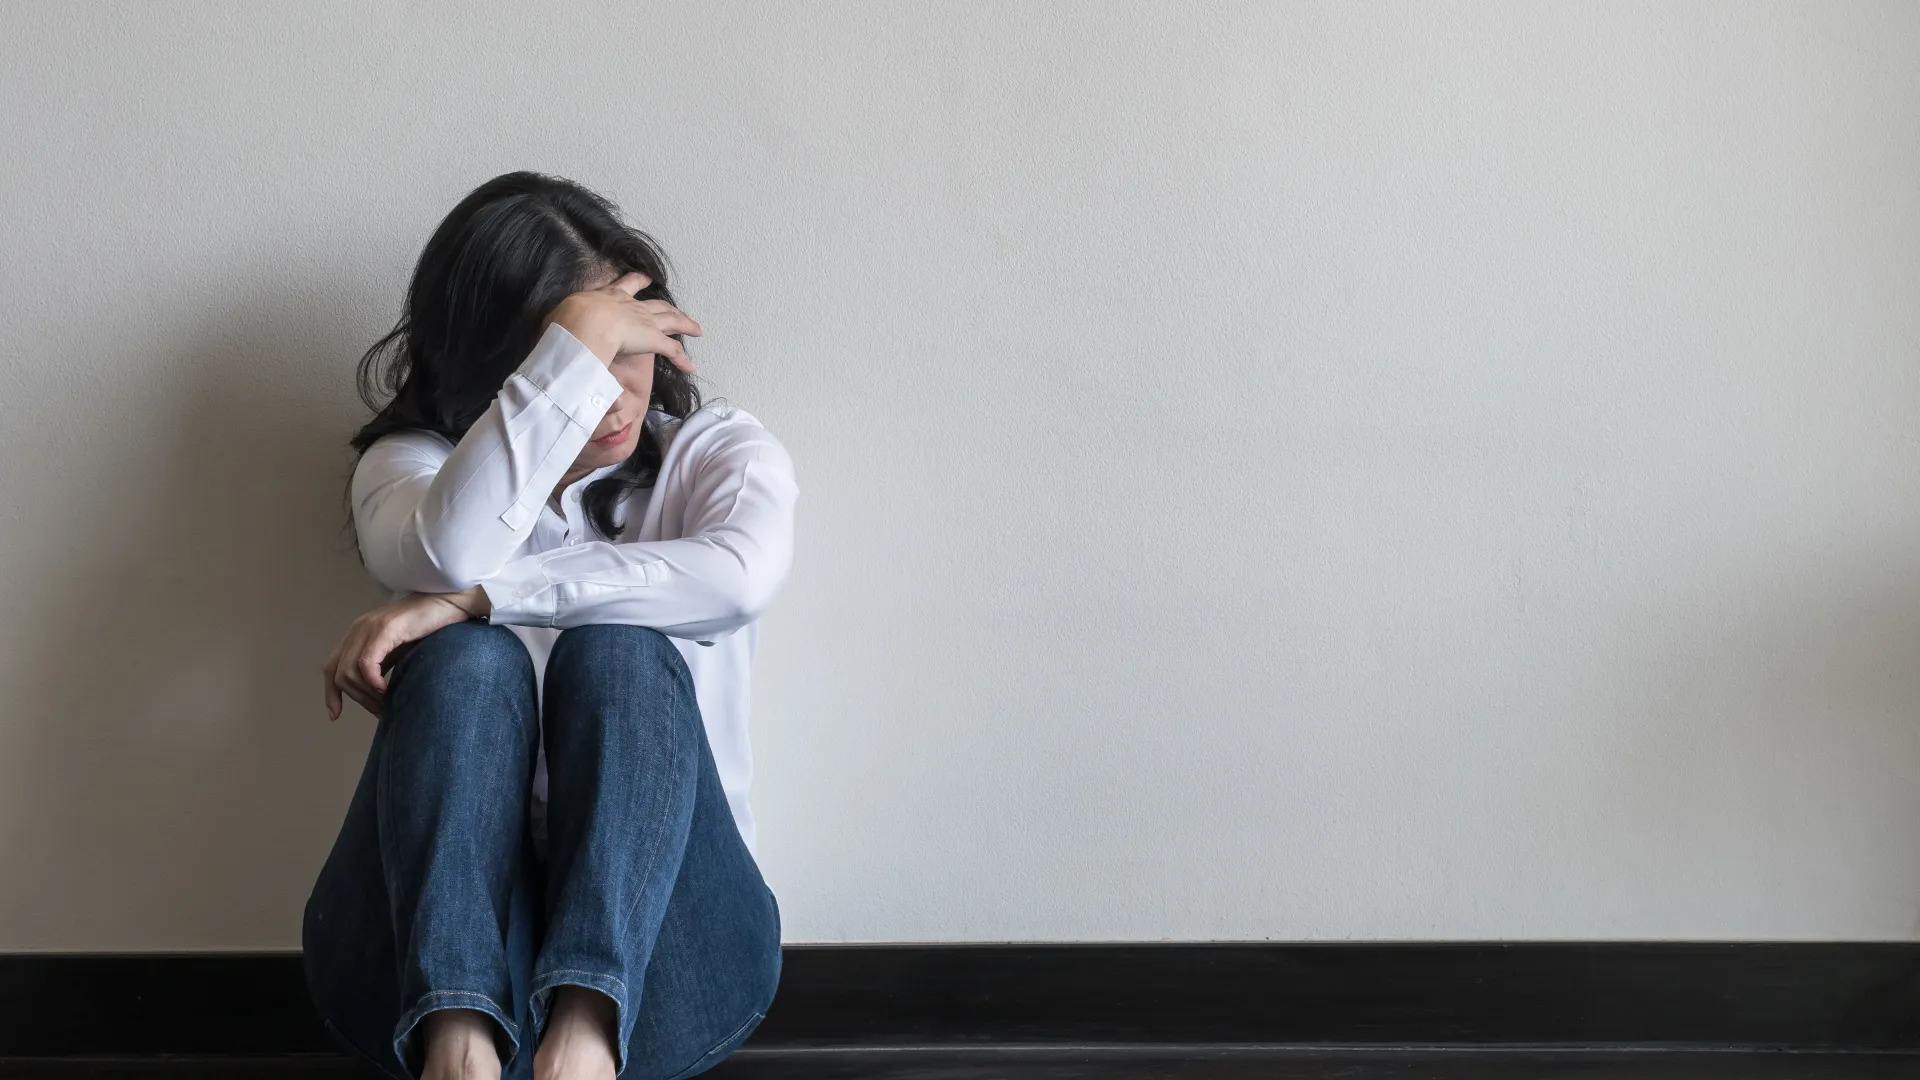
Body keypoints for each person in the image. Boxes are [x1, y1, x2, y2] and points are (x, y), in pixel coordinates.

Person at [303, 171, 796, 1080]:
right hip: (410, 957)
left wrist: (485, 598)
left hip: (672, 957)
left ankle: (584, 1041)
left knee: (618, 652)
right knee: (464, 664)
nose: (609, 398)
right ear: (495, 363)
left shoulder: (715, 455)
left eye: (627, 350)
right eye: (571, 357)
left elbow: (737, 577)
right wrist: (463, 605)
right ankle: (460, 1047)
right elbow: (450, 552)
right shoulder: (408, 472)